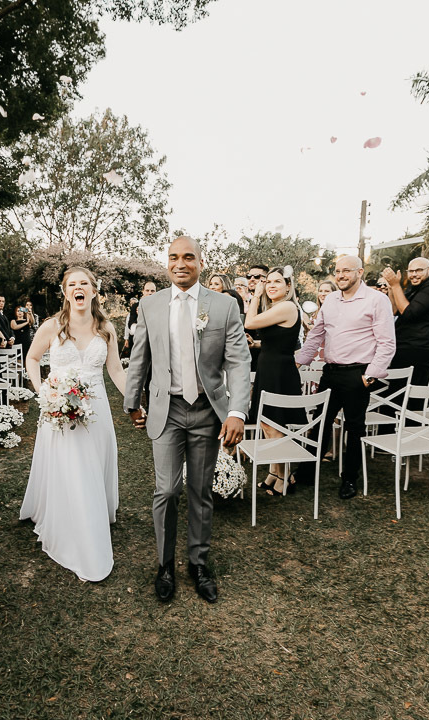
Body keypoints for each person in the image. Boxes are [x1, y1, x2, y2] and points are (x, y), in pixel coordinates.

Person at [124, 237, 250, 604]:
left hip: (207, 413)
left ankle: (198, 564)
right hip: (167, 410)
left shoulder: (224, 306)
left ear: (200, 262)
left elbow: (239, 361)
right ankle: (165, 565)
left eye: (188, 257)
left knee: (200, 489)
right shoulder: (150, 305)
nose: (180, 264)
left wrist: (237, 412)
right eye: (174, 258)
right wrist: (134, 401)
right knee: (166, 490)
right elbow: (139, 357)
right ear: (167, 263)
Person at [20, 267, 127, 582]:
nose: (78, 289)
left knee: (94, 462)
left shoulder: (106, 327)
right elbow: (33, 358)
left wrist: (135, 400)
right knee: (72, 467)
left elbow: (116, 370)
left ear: (94, 291)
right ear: (65, 292)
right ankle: (75, 526)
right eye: (72, 285)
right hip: (59, 411)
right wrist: (43, 393)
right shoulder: (53, 326)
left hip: (97, 410)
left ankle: (96, 512)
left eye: (84, 284)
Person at [295, 255, 395, 500]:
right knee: (320, 423)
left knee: (354, 428)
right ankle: (308, 472)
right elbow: (316, 334)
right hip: (330, 372)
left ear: (359, 272)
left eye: (346, 271)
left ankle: (350, 479)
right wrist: (299, 361)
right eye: (337, 271)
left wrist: (369, 377)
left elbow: (387, 343)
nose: (340, 275)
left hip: (358, 374)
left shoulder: (377, 300)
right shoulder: (330, 300)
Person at [246, 266, 305, 495]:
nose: (270, 285)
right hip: (268, 367)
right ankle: (273, 472)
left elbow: (249, 322)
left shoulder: (288, 306)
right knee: (266, 423)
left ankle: (284, 475)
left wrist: (256, 296)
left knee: (274, 424)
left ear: (288, 286)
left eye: (276, 282)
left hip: (279, 371)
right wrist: (258, 344)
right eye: (268, 281)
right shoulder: (277, 308)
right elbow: (279, 341)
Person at [382, 257, 429, 386]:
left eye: (419, 270)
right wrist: (391, 288)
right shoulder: (415, 286)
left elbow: (409, 312)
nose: (414, 275)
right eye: (411, 271)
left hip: (419, 348)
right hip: (405, 347)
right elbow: (395, 311)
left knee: (409, 394)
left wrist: (396, 285)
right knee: (395, 392)